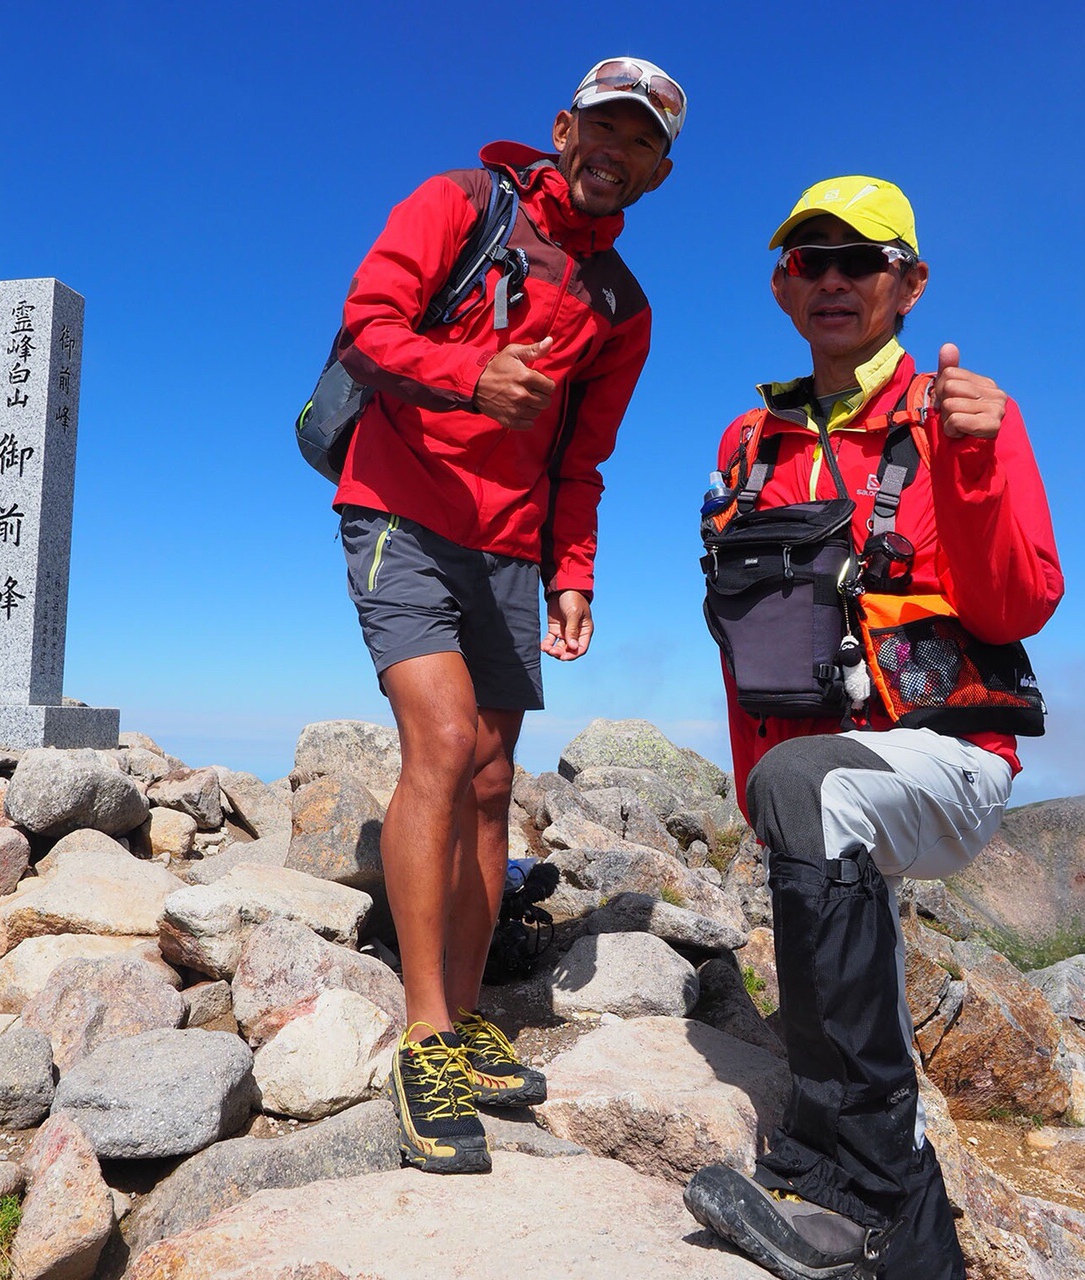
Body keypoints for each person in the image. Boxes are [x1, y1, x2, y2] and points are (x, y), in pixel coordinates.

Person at [683, 178, 1064, 1277]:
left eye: (860, 259)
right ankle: (917, 1249)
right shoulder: (748, 438)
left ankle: (847, 1195)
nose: (833, 279)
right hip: (814, 770)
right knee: (804, 792)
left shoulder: (959, 416)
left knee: (812, 788)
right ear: (779, 284)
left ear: (909, 282)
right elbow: (752, 639)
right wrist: (762, 794)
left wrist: (978, 462)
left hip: (948, 756)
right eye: (810, 260)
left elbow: (1014, 606)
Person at [330, 57, 684, 1174]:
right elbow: (365, 327)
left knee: (491, 781)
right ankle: (424, 1036)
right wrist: (469, 375)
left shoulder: (619, 308)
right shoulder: (456, 205)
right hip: (397, 506)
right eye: (600, 129)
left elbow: (583, 457)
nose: (611, 153)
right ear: (560, 130)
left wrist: (572, 572)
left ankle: (466, 1009)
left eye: (637, 143)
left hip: (514, 550)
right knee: (438, 740)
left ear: (657, 173)